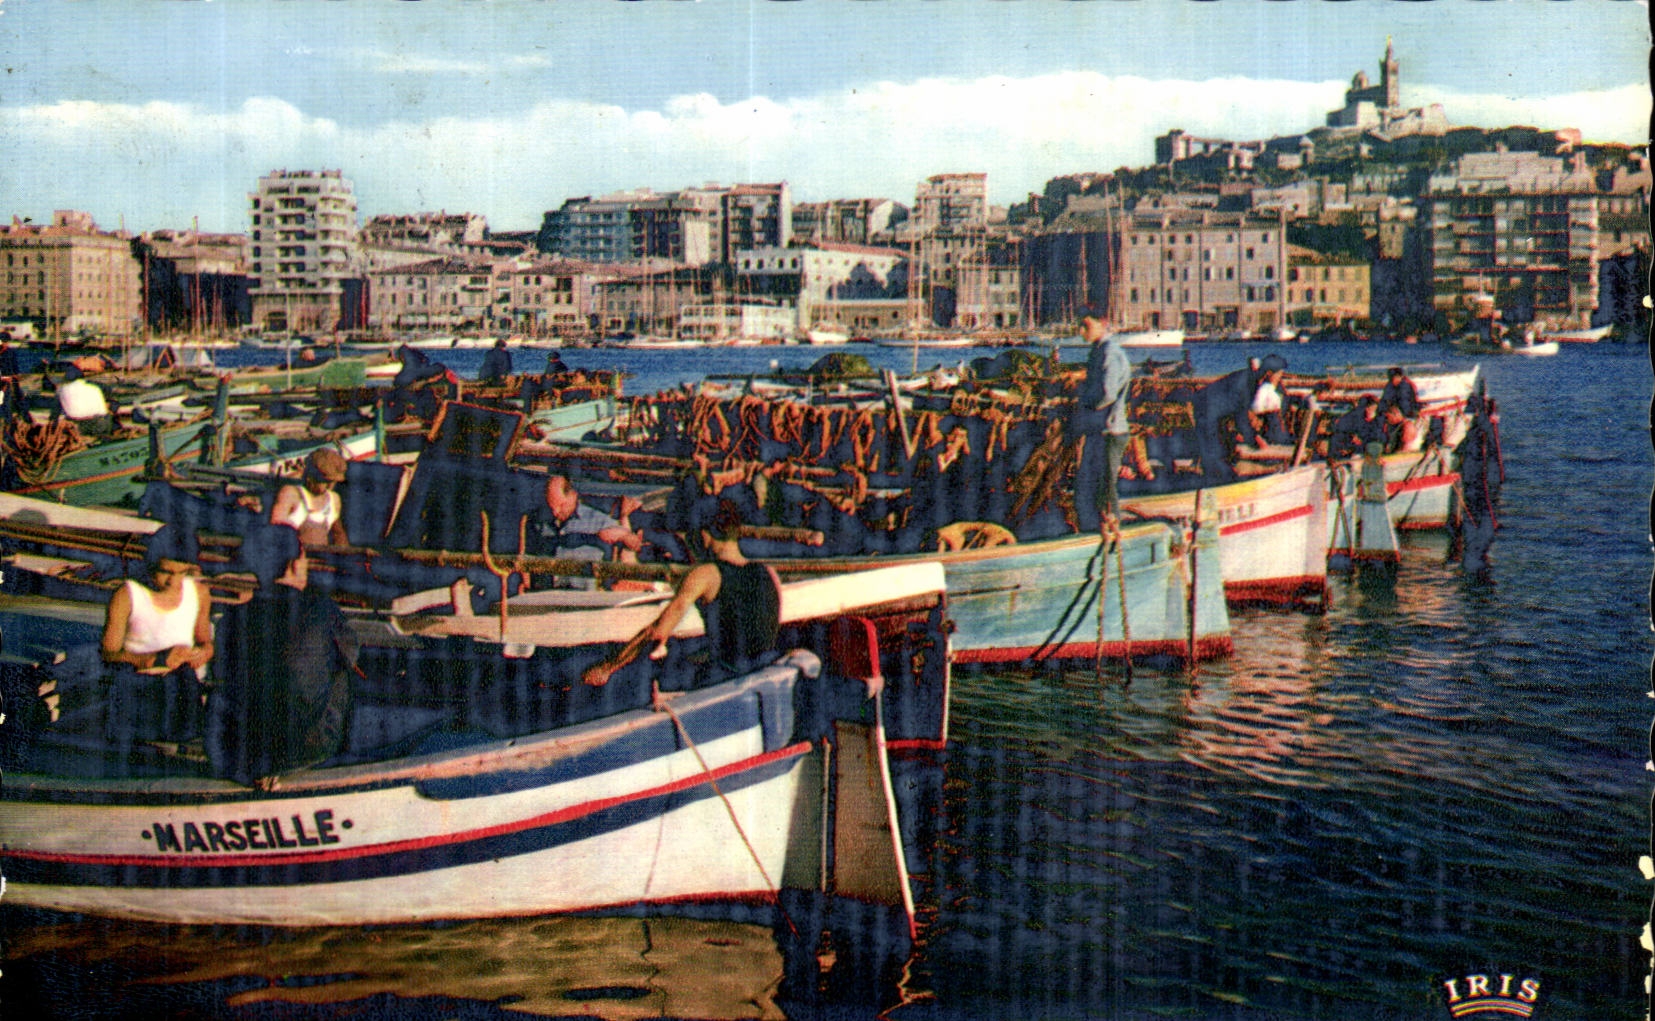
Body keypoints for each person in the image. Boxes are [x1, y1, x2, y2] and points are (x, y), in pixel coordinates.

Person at [207, 525, 359, 788]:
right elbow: (350, 659)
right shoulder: (322, 608)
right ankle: (338, 755)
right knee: (343, 666)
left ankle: (260, 763)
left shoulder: (230, 619)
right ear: (295, 563)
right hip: (309, 748)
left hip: (244, 755)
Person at [583, 502, 781, 687]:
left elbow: (658, 632)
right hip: (764, 673)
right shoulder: (769, 572)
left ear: (706, 534)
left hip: (728, 678)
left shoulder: (706, 574)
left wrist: (607, 668)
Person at [100, 526, 215, 749]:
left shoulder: (199, 593)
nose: (173, 581)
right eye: (166, 572)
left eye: (181, 573)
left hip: (181, 681)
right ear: (151, 564)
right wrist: (153, 659)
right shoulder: (128, 594)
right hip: (137, 678)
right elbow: (108, 653)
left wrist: (204, 653)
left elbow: (206, 642)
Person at [1069, 304, 1132, 527]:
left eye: (1086, 326)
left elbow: (1108, 393)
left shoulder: (1110, 353)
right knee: (1091, 484)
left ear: (1103, 323)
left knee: (1106, 487)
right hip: (1099, 429)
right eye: (1079, 326)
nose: (1081, 332)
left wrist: (1084, 404)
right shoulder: (1097, 351)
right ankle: (1092, 526)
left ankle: (1114, 531)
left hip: (1110, 430)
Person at [1190, 354, 1286, 482]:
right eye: (1279, 375)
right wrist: (1254, 438)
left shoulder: (1257, 381)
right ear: (1269, 373)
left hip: (1220, 412)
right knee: (1214, 452)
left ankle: (1222, 478)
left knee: (1224, 451)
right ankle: (1216, 484)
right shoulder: (1246, 382)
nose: (1280, 379)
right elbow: (1241, 417)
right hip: (1206, 409)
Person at [524, 473, 644, 563]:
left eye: (561, 505)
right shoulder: (538, 521)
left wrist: (624, 536)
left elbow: (635, 545)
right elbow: (527, 555)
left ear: (573, 496)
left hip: (583, 594)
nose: (555, 512)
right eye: (551, 506)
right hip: (547, 593)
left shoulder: (599, 521)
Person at [270, 448, 349, 548]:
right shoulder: (290, 494)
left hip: (322, 559)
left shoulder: (334, 499)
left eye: (333, 482)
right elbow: (273, 531)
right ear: (310, 477)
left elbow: (339, 534)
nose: (330, 487)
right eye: (325, 482)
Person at [56, 364, 116, 437]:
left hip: (77, 427)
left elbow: (56, 412)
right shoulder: (94, 387)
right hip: (99, 424)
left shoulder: (61, 390)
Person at [1328, 395, 1385, 459]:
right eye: (1367, 408)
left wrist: (1361, 440)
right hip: (1350, 446)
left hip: (1367, 448)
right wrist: (1352, 437)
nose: (1369, 410)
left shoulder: (1379, 419)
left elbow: (1378, 436)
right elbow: (1340, 427)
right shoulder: (1354, 415)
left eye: (1373, 408)